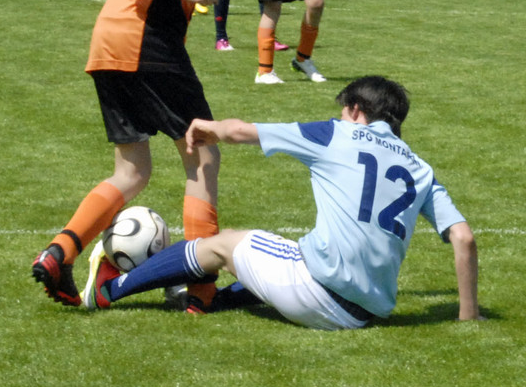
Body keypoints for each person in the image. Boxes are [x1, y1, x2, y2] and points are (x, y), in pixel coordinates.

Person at [31, 0, 289, 313]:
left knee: (132, 172)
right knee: (203, 154)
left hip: (112, 42)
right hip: (144, 43)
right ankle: (201, 292)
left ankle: (60, 253)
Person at [82, 76, 483, 330]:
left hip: (319, 295)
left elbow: (241, 132)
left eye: (343, 111)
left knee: (225, 242)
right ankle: (210, 299)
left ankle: (107, 291)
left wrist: (209, 127)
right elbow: (464, 238)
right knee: (290, 249)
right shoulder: (420, 168)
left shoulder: (337, 133)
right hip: (367, 314)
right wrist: (469, 316)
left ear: (356, 111)